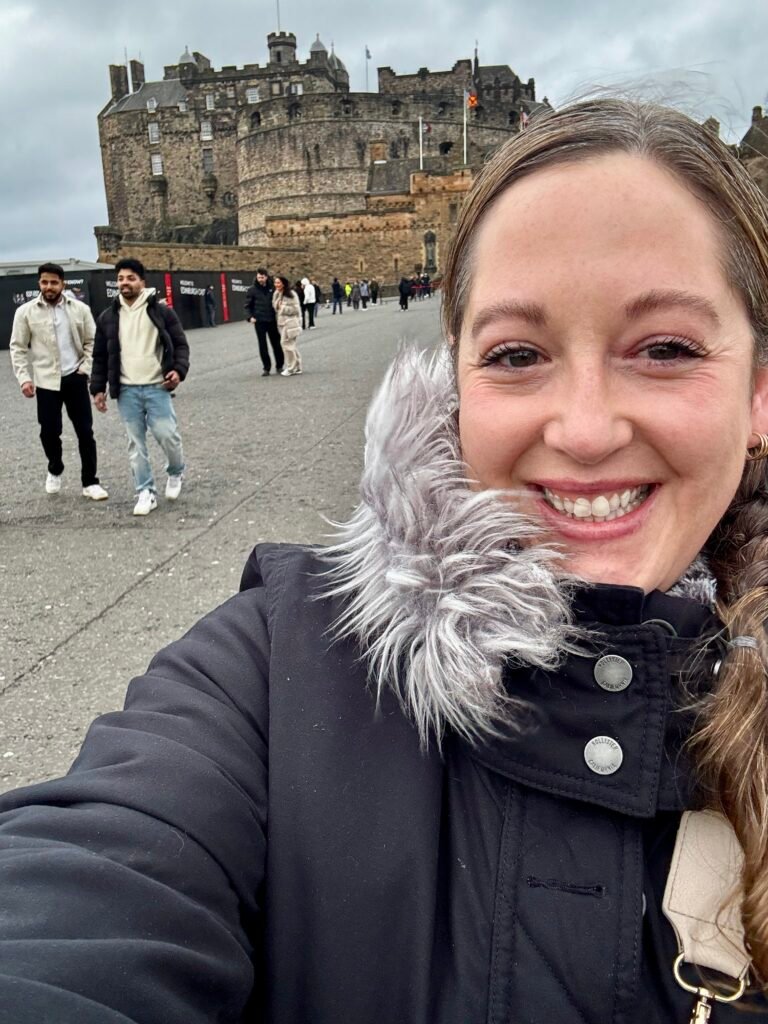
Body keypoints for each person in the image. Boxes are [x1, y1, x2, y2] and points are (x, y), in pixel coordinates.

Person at [2, 98, 768, 1022]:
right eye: (518, 353)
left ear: (758, 393)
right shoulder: (278, 668)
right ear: (455, 380)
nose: (587, 429)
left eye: (668, 348)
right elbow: (83, 892)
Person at [90, 258, 189, 517]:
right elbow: (100, 356)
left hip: (157, 385)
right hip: (127, 390)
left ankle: (176, 472)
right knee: (135, 444)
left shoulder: (161, 311)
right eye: (121, 278)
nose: (125, 283)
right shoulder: (108, 316)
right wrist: (97, 389)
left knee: (168, 436)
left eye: (130, 278)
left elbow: (180, 344)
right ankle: (145, 491)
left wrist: (178, 371)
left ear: (142, 282)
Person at [9, 262, 108, 500]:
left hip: (75, 377)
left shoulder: (79, 309)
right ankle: (55, 468)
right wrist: (24, 378)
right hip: (45, 382)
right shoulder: (25, 312)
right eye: (45, 282)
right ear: (39, 283)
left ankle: (90, 482)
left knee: (85, 431)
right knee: (49, 432)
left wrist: (85, 369)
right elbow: (18, 348)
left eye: (54, 282)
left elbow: (92, 341)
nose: (49, 286)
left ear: (63, 284)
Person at [245, 269, 284, 376]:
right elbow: (247, 306)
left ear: (266, 277)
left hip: (272, 320)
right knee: (263, 345)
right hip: (259, 321)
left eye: (262, 277)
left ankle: (280, 366)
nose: (260, 279)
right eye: (258, 277)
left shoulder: (273, 288)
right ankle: (266, 367)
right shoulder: (252, 290)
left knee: (276, 343)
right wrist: (250, 317)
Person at [273, 275, 303, 376]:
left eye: (278, 283)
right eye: (275, 282)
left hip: (290, 322)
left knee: (286, 344)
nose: (276, 285)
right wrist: (278, 306)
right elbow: (275, 306)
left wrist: (283, 307)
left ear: (283, 283)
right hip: (282, 323)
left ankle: (291, 368)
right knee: (291, 345)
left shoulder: (291, 294)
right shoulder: (277, 293)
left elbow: (295, 309)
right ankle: (298, 366)